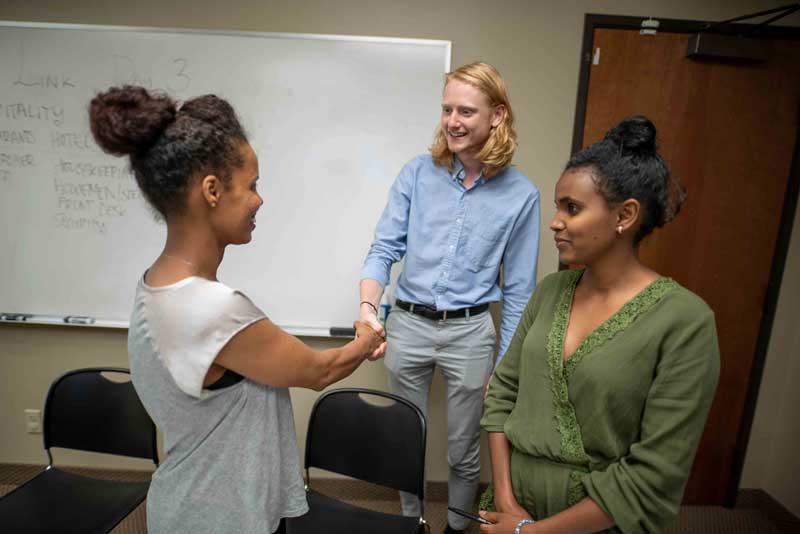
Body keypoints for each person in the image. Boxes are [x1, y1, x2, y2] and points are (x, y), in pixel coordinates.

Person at [88, 86, 384, 534]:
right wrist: (367, 338)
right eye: (252, 185)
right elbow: (318, 371)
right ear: (211, 190)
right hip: (218, 517)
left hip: (197, 505)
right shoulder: (212, 309)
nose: (259, 200)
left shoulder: (156, 285)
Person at [479, 116, 720, 533]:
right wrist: (506, 501)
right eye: (558, 206)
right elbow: (502, 393)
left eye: (571, 208)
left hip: (599, 523)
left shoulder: (685, 322)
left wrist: (530, 533)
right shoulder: (551, 291)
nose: (555, 221)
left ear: (624, 215)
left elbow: (653, 475)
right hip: (512, 506)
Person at [359, 62, 540, 533]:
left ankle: (457, 528)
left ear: (497, 116)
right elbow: (384, 249)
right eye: (446, 109)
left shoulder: (522, 195)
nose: (452, 121)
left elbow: (520, 292)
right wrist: (367, 309)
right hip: (409, 325)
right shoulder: (417, 174)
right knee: (405, 441)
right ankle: (410, 525)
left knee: (463, 449)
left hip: (471, 331)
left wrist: (503, 368)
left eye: (466, 110)